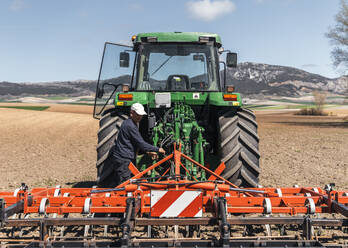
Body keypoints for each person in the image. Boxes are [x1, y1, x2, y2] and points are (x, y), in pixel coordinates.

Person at [106, 103, 165, 187]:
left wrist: (148, 152)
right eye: (138, 115)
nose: (140, 117)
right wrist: (158, 149)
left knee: (130, 181)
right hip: (123, 159)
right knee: (125, 184)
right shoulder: (130, 126)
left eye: (141, 115)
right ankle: (122, 198)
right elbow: (141, 143)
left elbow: (135, 142)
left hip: (125, 157)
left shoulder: (131, 123)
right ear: (132, 113)